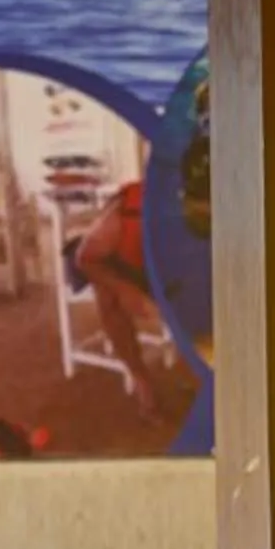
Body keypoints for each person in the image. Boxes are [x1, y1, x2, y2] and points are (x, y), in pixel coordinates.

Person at [71, 177, 165, 425]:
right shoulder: (127, 210)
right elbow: (85, 258)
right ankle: (141, 379)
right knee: (107, 294)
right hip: (123, 264)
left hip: (169, 268)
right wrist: (126, 290)